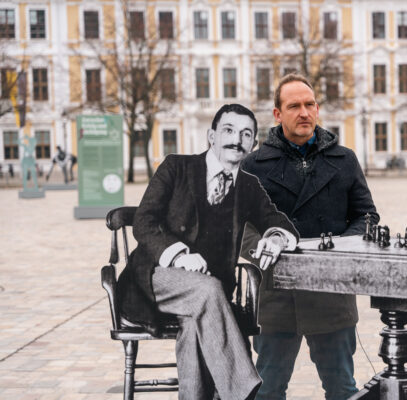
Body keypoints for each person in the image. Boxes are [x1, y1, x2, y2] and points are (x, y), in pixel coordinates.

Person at [117, 104, 299, 400]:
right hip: (153, 281)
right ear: (211, 136)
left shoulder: (249, 186)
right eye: (228, 130)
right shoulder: (177, 167)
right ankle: (243, 392)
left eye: (246, 134)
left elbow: (278, 221)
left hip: (207, 298)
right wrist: (178, 255)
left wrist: (275, 238)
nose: (236, 139)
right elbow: (144, 221)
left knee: (196, 320)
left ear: (252, 144)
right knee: (208, 292)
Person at [241, 74, 379, 400]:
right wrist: (262, 249)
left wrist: (340, 249)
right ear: (278, 114)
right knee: (268, 389)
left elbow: (367, 216)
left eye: (309, 104)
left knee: (343, 389)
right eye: (294, 106)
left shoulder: (344, 160)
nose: (303, 112)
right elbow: (240, 226)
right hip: (276, 294)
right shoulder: (253, 165)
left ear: (317, 109)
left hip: (331, 291)